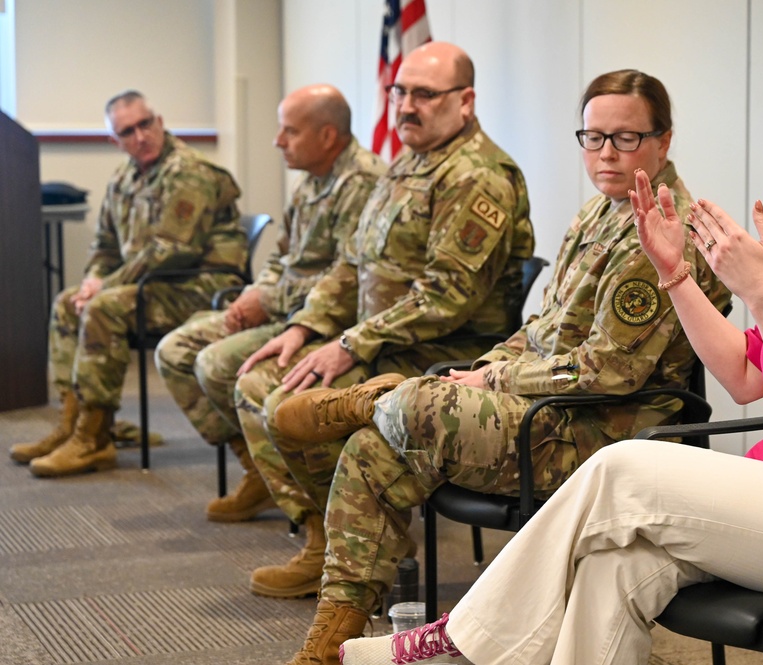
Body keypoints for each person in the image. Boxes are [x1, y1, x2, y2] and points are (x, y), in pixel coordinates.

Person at [339, 57, 763, 665]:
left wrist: (761, 295)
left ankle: (457, 638)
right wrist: (676, 275)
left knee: (622, 468)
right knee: (610, 566)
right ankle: (474, 642)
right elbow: (745, 375)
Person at [283, 69, 730, 663]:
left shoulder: (662, 232)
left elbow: (607, 374)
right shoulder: (597, 214)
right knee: (370, 451)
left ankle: (377, 396)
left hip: (608, 429)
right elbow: (542, 331)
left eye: (626, 138)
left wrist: (490, 378)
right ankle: (332, 639)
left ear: (663, 141)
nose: (605, 153)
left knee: (420, 406)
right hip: (547, 408)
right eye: (593, 137)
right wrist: (490, 365)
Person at [231, 41, 535, 602]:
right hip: (377, 342)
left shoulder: (478, 176)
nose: (406, 105)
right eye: (399, 91)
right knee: (258, 383)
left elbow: (447, 297)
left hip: (442, 357)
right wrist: (306, 326)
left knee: (285, 404)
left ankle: (366, 548)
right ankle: (333, 539)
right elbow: (354, 262)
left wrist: (350, 344)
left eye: (424, 93)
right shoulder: (408, 159)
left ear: (465, 102)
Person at [153, 84, 385, 522]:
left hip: (327, 323)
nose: (278, 141)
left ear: (328, 137)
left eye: (289, 131)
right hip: (285, 310)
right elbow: (283, 256)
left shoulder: (363, 183)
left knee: (218, 365)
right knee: (176, 352)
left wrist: (270, 298)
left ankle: (308, 510)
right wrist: (255, 292)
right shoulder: (311, 178)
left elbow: (349, 278)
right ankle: (260, 469)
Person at [10, 90, 247, 478]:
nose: (140, 136)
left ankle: (93, 439)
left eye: (145, 124)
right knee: (67, 303)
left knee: (104, 308)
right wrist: (92, 280)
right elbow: (105, 244)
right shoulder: (124, 177)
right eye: (127, 131)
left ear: (160, 121)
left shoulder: (189, 171)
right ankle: (75, 423)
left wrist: (103, 289)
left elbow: (171, 251)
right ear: (114, 141)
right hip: (150, 285)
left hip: (200, 285)